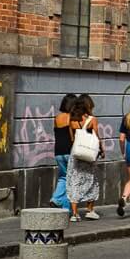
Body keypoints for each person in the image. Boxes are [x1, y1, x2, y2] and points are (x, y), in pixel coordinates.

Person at [66, 93, 100, 222]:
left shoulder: (72, 120)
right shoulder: (92, 120)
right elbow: (97, 138)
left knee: (75, 182)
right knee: (91, 181)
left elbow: (72, 138)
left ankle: (74, 214)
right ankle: (90, 210)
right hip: (89, 155)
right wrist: (101, 150)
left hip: (76, 154)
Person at [50, 93, 77, 209]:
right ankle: (66, 208)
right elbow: (74, 136)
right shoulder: (71, 118)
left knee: (63, 177)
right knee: (71, 179)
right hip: (69, 151)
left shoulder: (57, 118)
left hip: (58, 151)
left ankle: (55, 199)